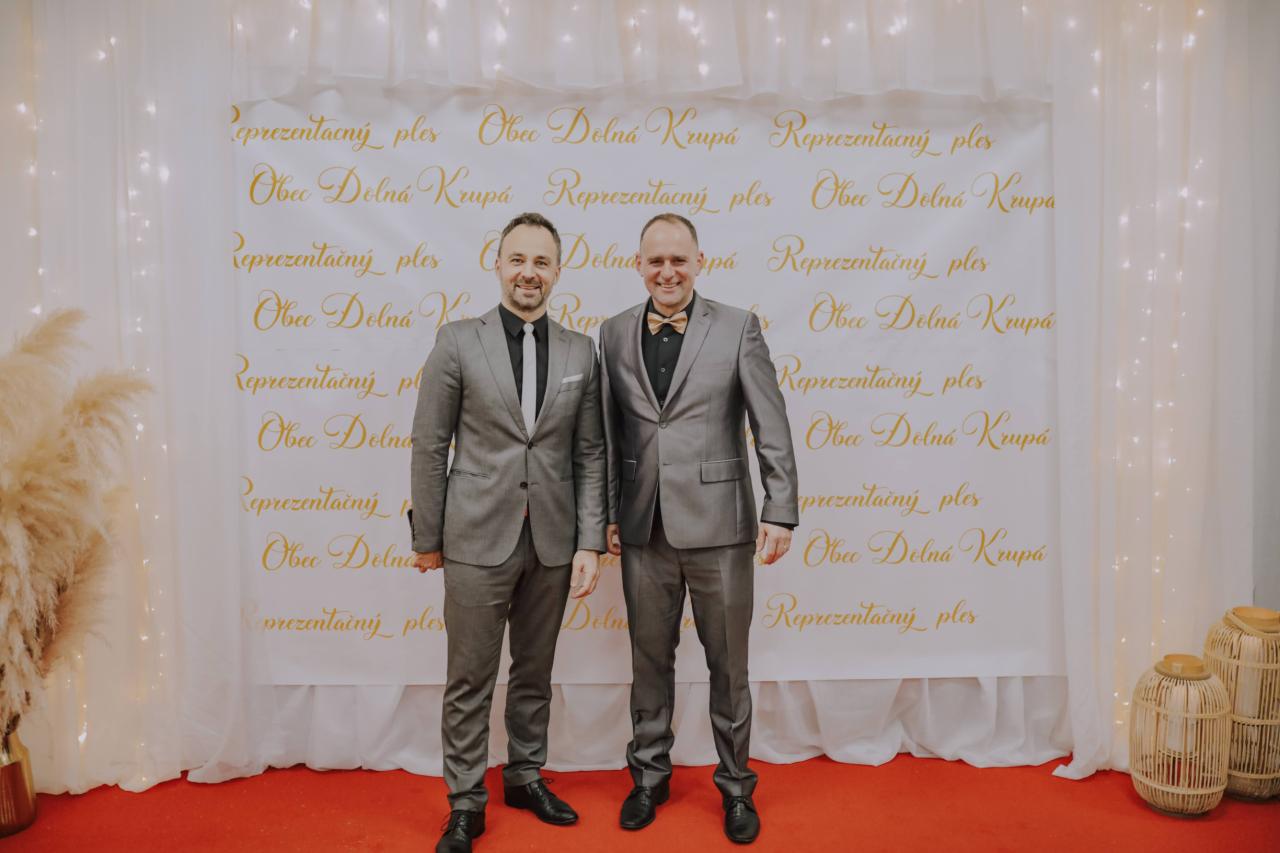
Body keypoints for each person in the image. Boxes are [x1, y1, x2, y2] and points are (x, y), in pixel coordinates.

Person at [598, 213, 799, 844]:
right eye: (656, 260)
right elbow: (608, 434)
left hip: (722, 528)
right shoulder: (613, 332)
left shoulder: (739, 326)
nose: (667, 272)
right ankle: (648, 778)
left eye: (678, 260)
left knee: (728, 666)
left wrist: (780, 507)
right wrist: (608, 513)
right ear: (638, 265)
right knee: (648, 661)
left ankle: (736, 788)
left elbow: (770, 422)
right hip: (643, 527)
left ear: (699, 262)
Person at [410, 212, 606, 853]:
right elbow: (429, 444)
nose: (529, 272)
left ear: (557, 272)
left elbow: (590, 452)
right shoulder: (456, 341)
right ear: (497, 265)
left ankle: (524, 776)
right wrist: (428, 537)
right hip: (474, 538)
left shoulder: (580, 351)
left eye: (541, 262)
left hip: (552, 541)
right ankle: (466, 802)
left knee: (534, 671)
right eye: (518, 259)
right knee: (469, 678)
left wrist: (589, 540)